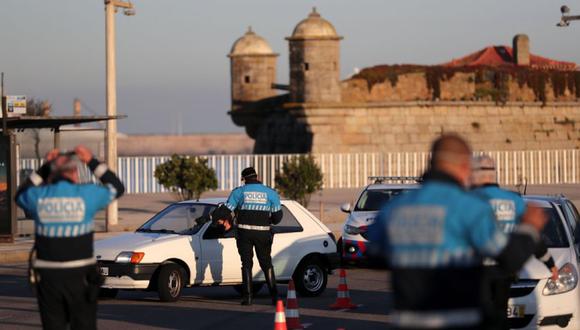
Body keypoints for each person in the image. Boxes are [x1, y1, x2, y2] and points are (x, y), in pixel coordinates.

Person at [367, 134, 547, 330]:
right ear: (464, 167)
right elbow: (508, 257)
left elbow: (374, 257)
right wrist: (529, 228)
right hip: (460, 321)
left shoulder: (394, 208)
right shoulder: (470, 208)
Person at [15, 146, 124, 330]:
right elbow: (117, 187)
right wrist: (91, 160)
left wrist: (45, 167)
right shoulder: (87, 194)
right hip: (80, 277)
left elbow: (20, 195)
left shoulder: (39, 197)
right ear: (74, 173)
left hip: (49, 278)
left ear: (51, 174)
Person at [471, 154, 558, 330]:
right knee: (500, 315)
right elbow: (531, 232)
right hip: (505, 269)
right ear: (495, 174)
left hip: (477, 271)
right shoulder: (513, 200)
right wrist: (550, 263)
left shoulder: (469, 199)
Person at [212, 167, 283, 306]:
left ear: (244, 179)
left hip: (244, 233)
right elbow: (277, 217)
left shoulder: (239, 192)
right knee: (266, 264)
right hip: (263, 233)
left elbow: (226, 210)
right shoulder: (270, 193)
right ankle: (275, 297)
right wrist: (269, 221)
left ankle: (248, 298)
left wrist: (214, 219)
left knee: (246, 264)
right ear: (257, 177)